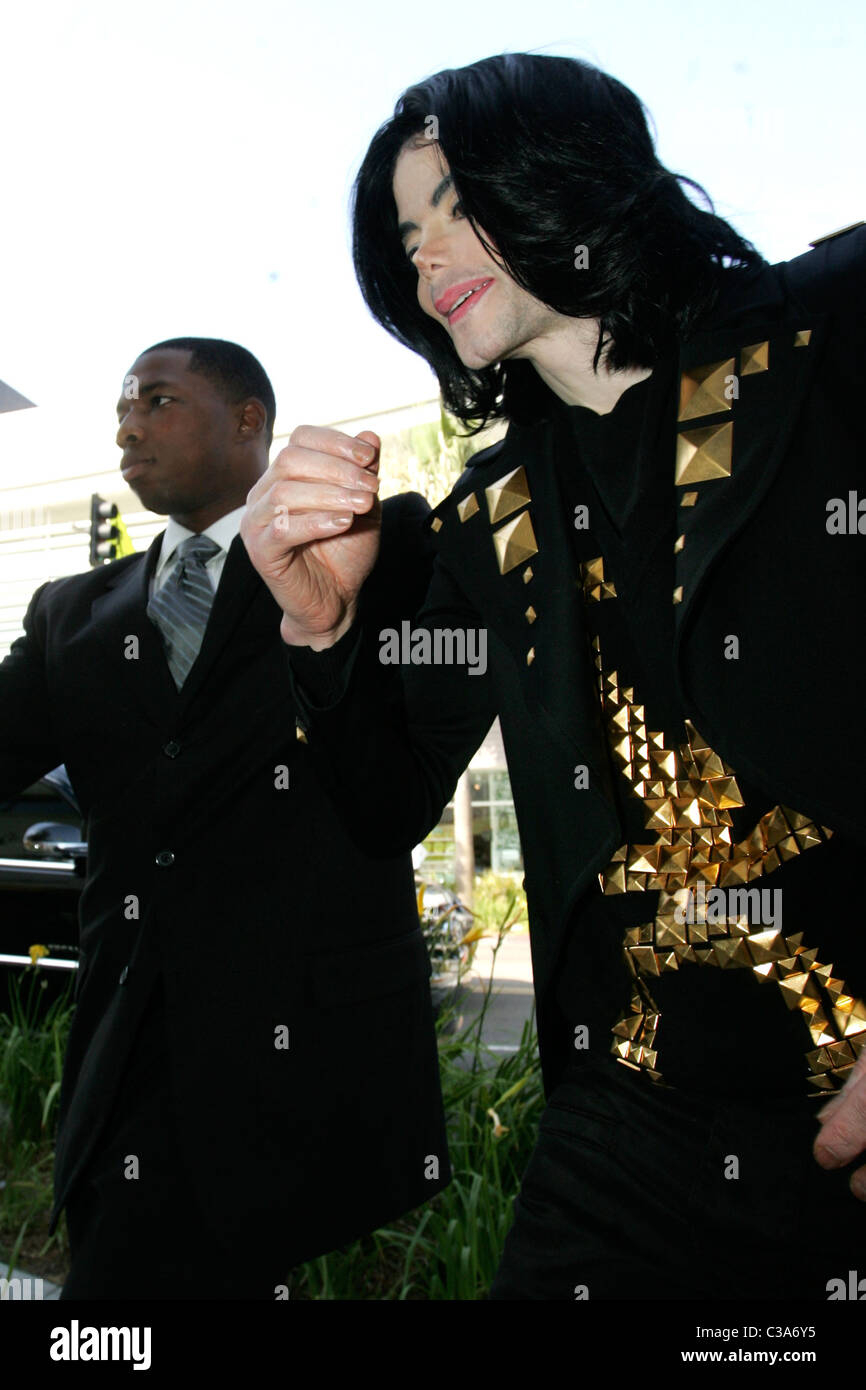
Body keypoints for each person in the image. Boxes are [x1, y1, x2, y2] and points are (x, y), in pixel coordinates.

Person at [241, 55, 866, 1299]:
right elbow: (384, 800)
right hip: (632, 1122)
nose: (424, 255)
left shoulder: (835, 327)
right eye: (404, 236)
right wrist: (318, 629)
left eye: (455, 204)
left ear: (571, 169)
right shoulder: (484, 520)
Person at [0, 337, 450, 1299]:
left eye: (157, 400)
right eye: (121, 406)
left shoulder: (373, 549)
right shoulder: (68, 614)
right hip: (125, 1061)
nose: (127, 424)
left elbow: (396, 785)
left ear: (251, 420)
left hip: (299, 1059)